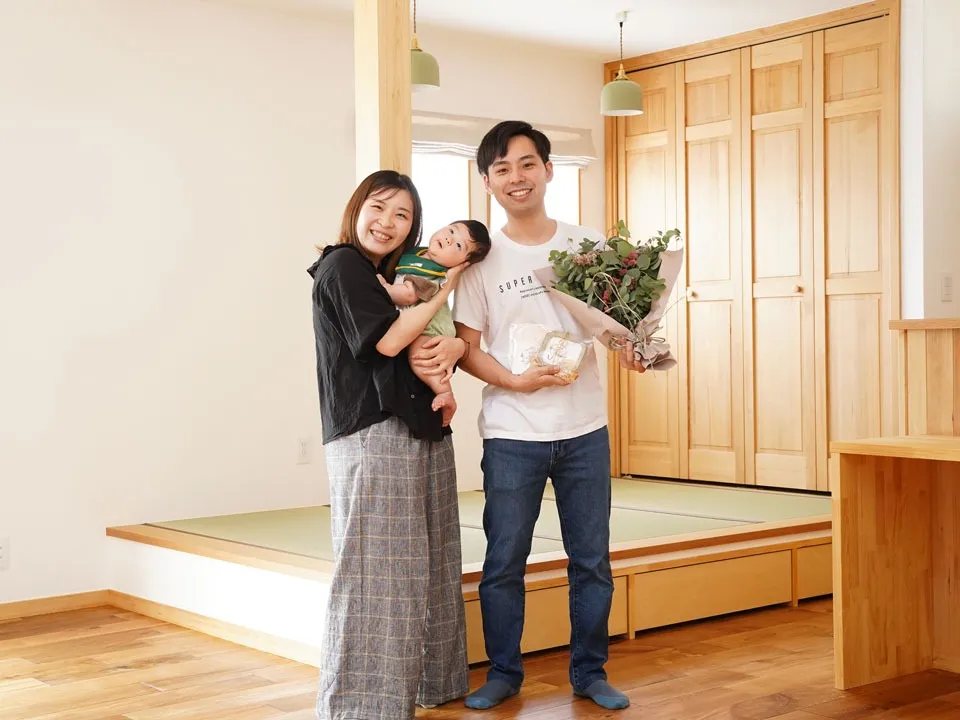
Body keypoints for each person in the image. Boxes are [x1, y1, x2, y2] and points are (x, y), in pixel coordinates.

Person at [452, 121, 647, 712]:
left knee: (592, 561)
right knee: (503, 562)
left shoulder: (587, 245)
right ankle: (503, 674)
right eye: (503, 169)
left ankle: (590, 673)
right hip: (512, 433)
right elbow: (467, 348)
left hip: (584, 428)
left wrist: (632, 346)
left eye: (527, 164)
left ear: (548, 170)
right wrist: (514, 381)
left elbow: (613, 325)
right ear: (487, 182)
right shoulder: (481, 261)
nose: (517, 177)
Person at [307, 169, 471, 720]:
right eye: (378, 207)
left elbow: (428, 343)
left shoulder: (399, 274)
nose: (388, 222)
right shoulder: (343, 265)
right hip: (372, 430)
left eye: (403, 215)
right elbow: (387, 341)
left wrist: (450, 348)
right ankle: (360, 706)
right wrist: (445, 288)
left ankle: (435, 682)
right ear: (357, 208)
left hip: (422, 424)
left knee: (435, 561)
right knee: (376, 570)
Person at [379, 220, 492, 426]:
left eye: (459, 245)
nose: (449, 239)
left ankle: (444, 392)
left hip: (432, 329)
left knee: (420, 358)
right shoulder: (418, 255)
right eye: (452, 230)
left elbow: (408, 294)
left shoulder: (434, 274)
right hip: (417, 323)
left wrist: (384, 287)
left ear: (461, 264)